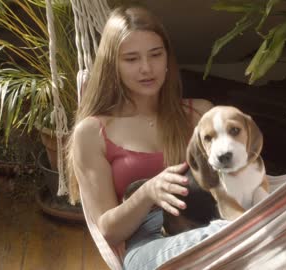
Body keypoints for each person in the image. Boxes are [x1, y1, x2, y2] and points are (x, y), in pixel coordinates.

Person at [66, 5, 229, 270]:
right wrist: (148, 192)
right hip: (148, 243)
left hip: (211, 218)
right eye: (131, 59)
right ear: (112, 66)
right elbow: (107, 230)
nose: (146, 68)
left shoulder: (201, 114)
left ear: (167, 59)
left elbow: (236, 181)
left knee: (236, 231)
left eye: (155, 55)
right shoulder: (92, 132)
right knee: (224, 239)